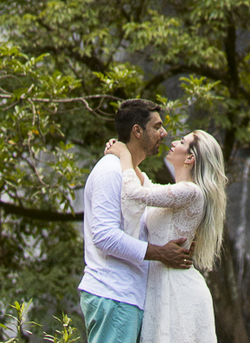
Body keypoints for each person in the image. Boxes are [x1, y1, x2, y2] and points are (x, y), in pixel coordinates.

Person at [80, 99, 195, 343]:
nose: (164, 133)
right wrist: (160, 253)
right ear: (137, 130)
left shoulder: (130, 175)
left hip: (127, 296)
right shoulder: (110, 171)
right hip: (113, 294)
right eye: (157, 126)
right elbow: (104, 236)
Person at [104, 128, 226, 343]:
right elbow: (148, 186)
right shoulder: (181, 191)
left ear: (190, 157)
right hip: (163, 286)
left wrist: (124, 155)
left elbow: (135, 194)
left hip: (177, 290)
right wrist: (126, 156)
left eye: (181, 141)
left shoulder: (191, 191)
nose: (173, 143)